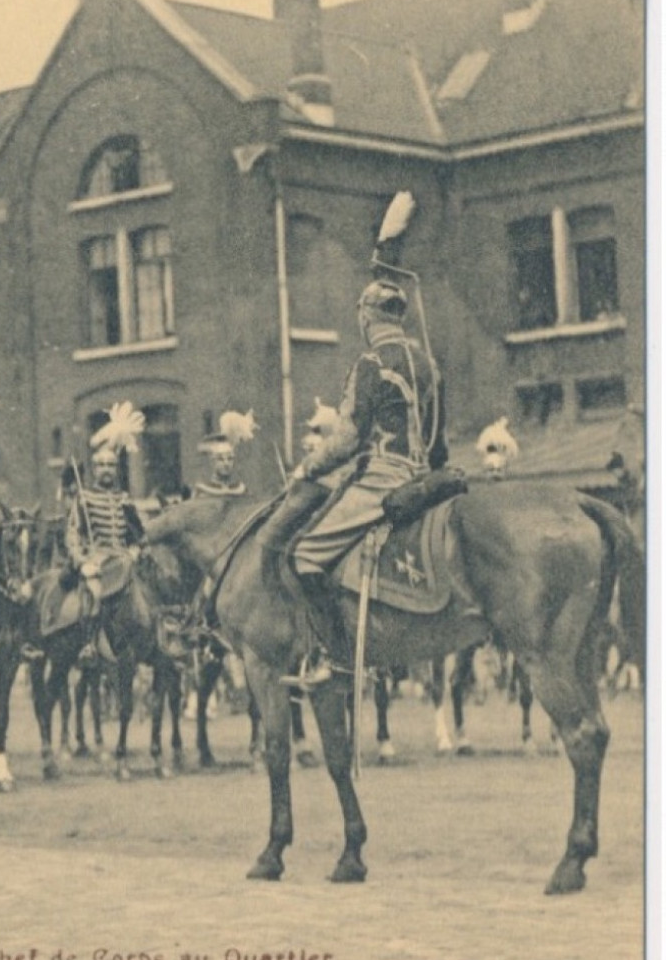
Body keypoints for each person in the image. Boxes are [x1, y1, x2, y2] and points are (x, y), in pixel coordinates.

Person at [286, 277, 448, 687]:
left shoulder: (370, 365)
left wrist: (307, 468)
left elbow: (345, 441)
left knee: (304, 555)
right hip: (428, 478)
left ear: (366, 316)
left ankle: (335, 659)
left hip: (384, 479)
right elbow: (440, 443)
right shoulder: (430, 365)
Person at [67, 402, 146, 625]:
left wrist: (135, 550)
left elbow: (140, 535)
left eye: (110, 465)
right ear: (94, 470)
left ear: (116, 469)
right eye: (101, 465)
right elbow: (73, 536)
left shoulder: (124, 500)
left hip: (124, 560)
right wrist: (82, 562)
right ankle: (90, 644)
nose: (106, 470)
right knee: (93, 595)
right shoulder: (85, 499)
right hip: (97, 561)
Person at [193, 410, 257, 498]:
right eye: (220, 459)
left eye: (230, 458)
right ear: (212, 462)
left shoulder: (241, 489)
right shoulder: (203, 491)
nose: (226, 464)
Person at [475, 417, 518, 481]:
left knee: (499, 463)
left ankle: (497, 472)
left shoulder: (505, 434)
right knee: (494, 464)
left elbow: (511, 447)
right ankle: (493, 473)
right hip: (491, 455)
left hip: (499, 455)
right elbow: (481, 446)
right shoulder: (490, 431)